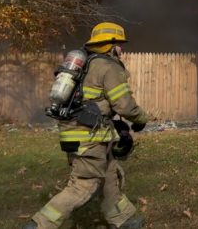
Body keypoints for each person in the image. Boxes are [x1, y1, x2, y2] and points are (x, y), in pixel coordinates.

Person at [24, 22, 149, 229]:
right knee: (82, 185)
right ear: (110, 45)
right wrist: (142, 119)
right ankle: (39, 224)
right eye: (119, 44)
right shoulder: (109, 67)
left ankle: (124, 220)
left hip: (80, 133)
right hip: (89, 136)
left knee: (109, 174)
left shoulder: (87, 64)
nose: (121, 48)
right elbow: (124, 105)